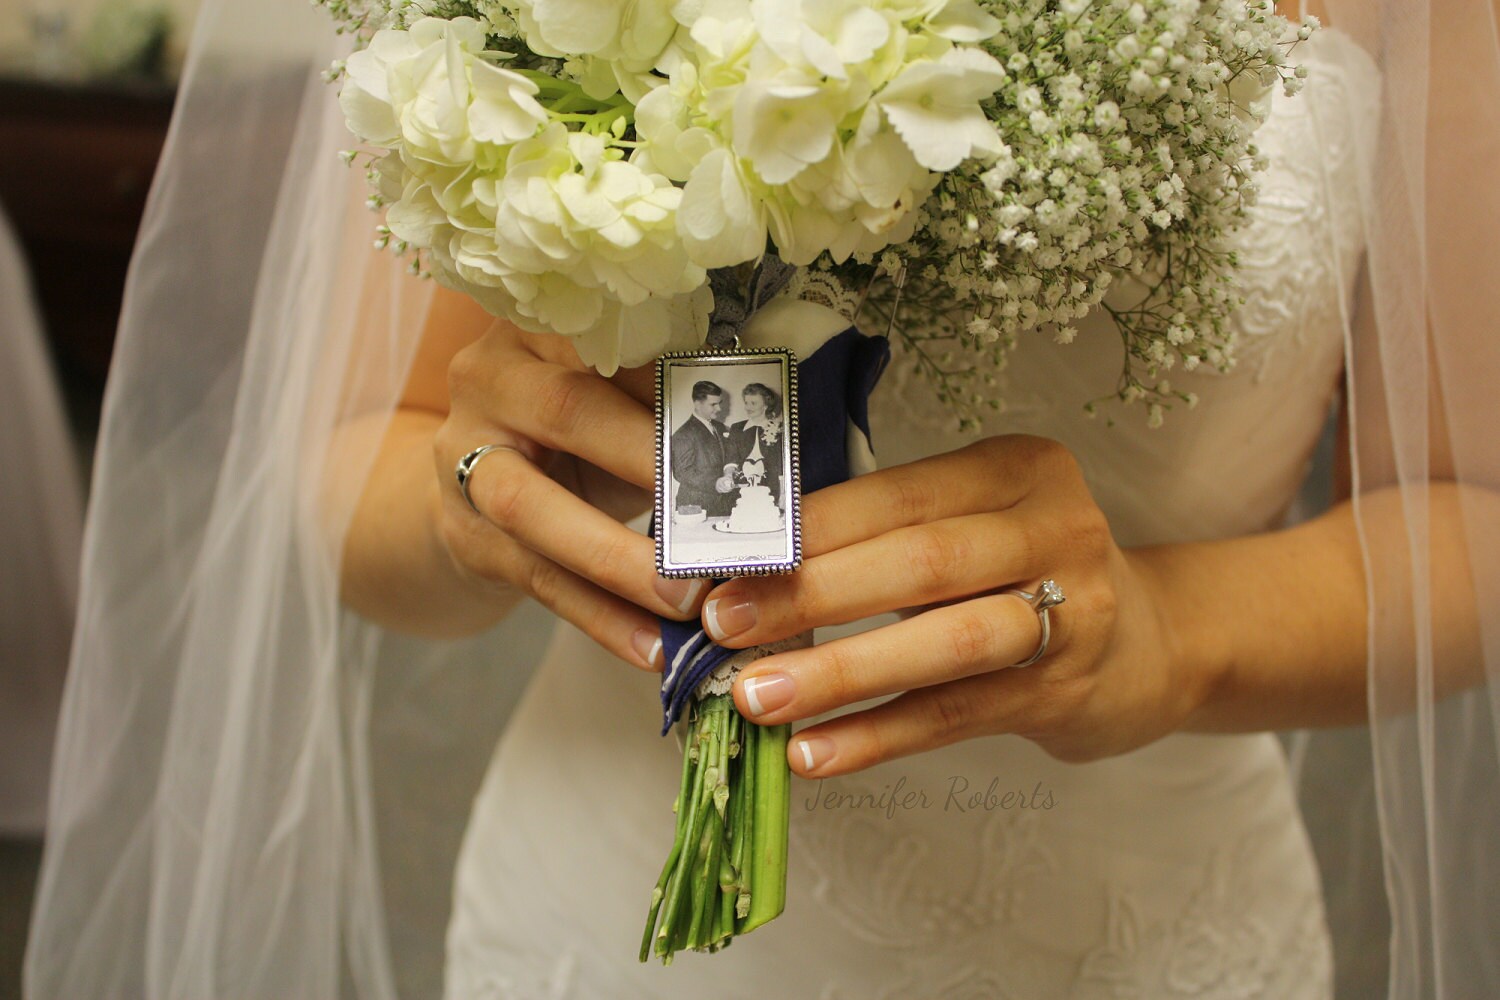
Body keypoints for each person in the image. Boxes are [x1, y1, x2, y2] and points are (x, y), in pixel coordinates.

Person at [22, 1, 1500, 998]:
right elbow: (367, 453)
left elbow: (1466, 509)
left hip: (1149, 920)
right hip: (605, 915)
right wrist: (471, 508)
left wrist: (1167, 629)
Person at [670, 380, 739, 517]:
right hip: (696, 506)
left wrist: (728, 473)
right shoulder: (683, 434)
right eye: (713, 404)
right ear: (697, 404)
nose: (719, 409)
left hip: (725, 504)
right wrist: (715, 483)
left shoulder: (720, 427)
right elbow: (682, 472)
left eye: (720, 403)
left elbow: (731, 455)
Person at [728, 382, 784, 501]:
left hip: (771, 492)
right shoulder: (736, 428)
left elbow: (781, 466)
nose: (748, 407)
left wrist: (783, 494)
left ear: (765, 405)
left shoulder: (780, 429)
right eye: (746, 403)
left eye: (753, 403)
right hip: (741, 493)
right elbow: (731, 459)